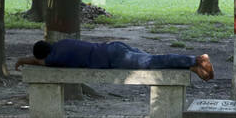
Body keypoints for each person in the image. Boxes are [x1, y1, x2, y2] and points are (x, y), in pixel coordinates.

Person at [15, 38, 214, 81]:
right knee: (152, 60)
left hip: (113, 58)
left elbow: (38, 62)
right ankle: (194, 68)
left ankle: (196, 59)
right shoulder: (60, 44)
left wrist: (22, 60)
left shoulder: (55, 58)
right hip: (114, 46)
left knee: (154, 62)